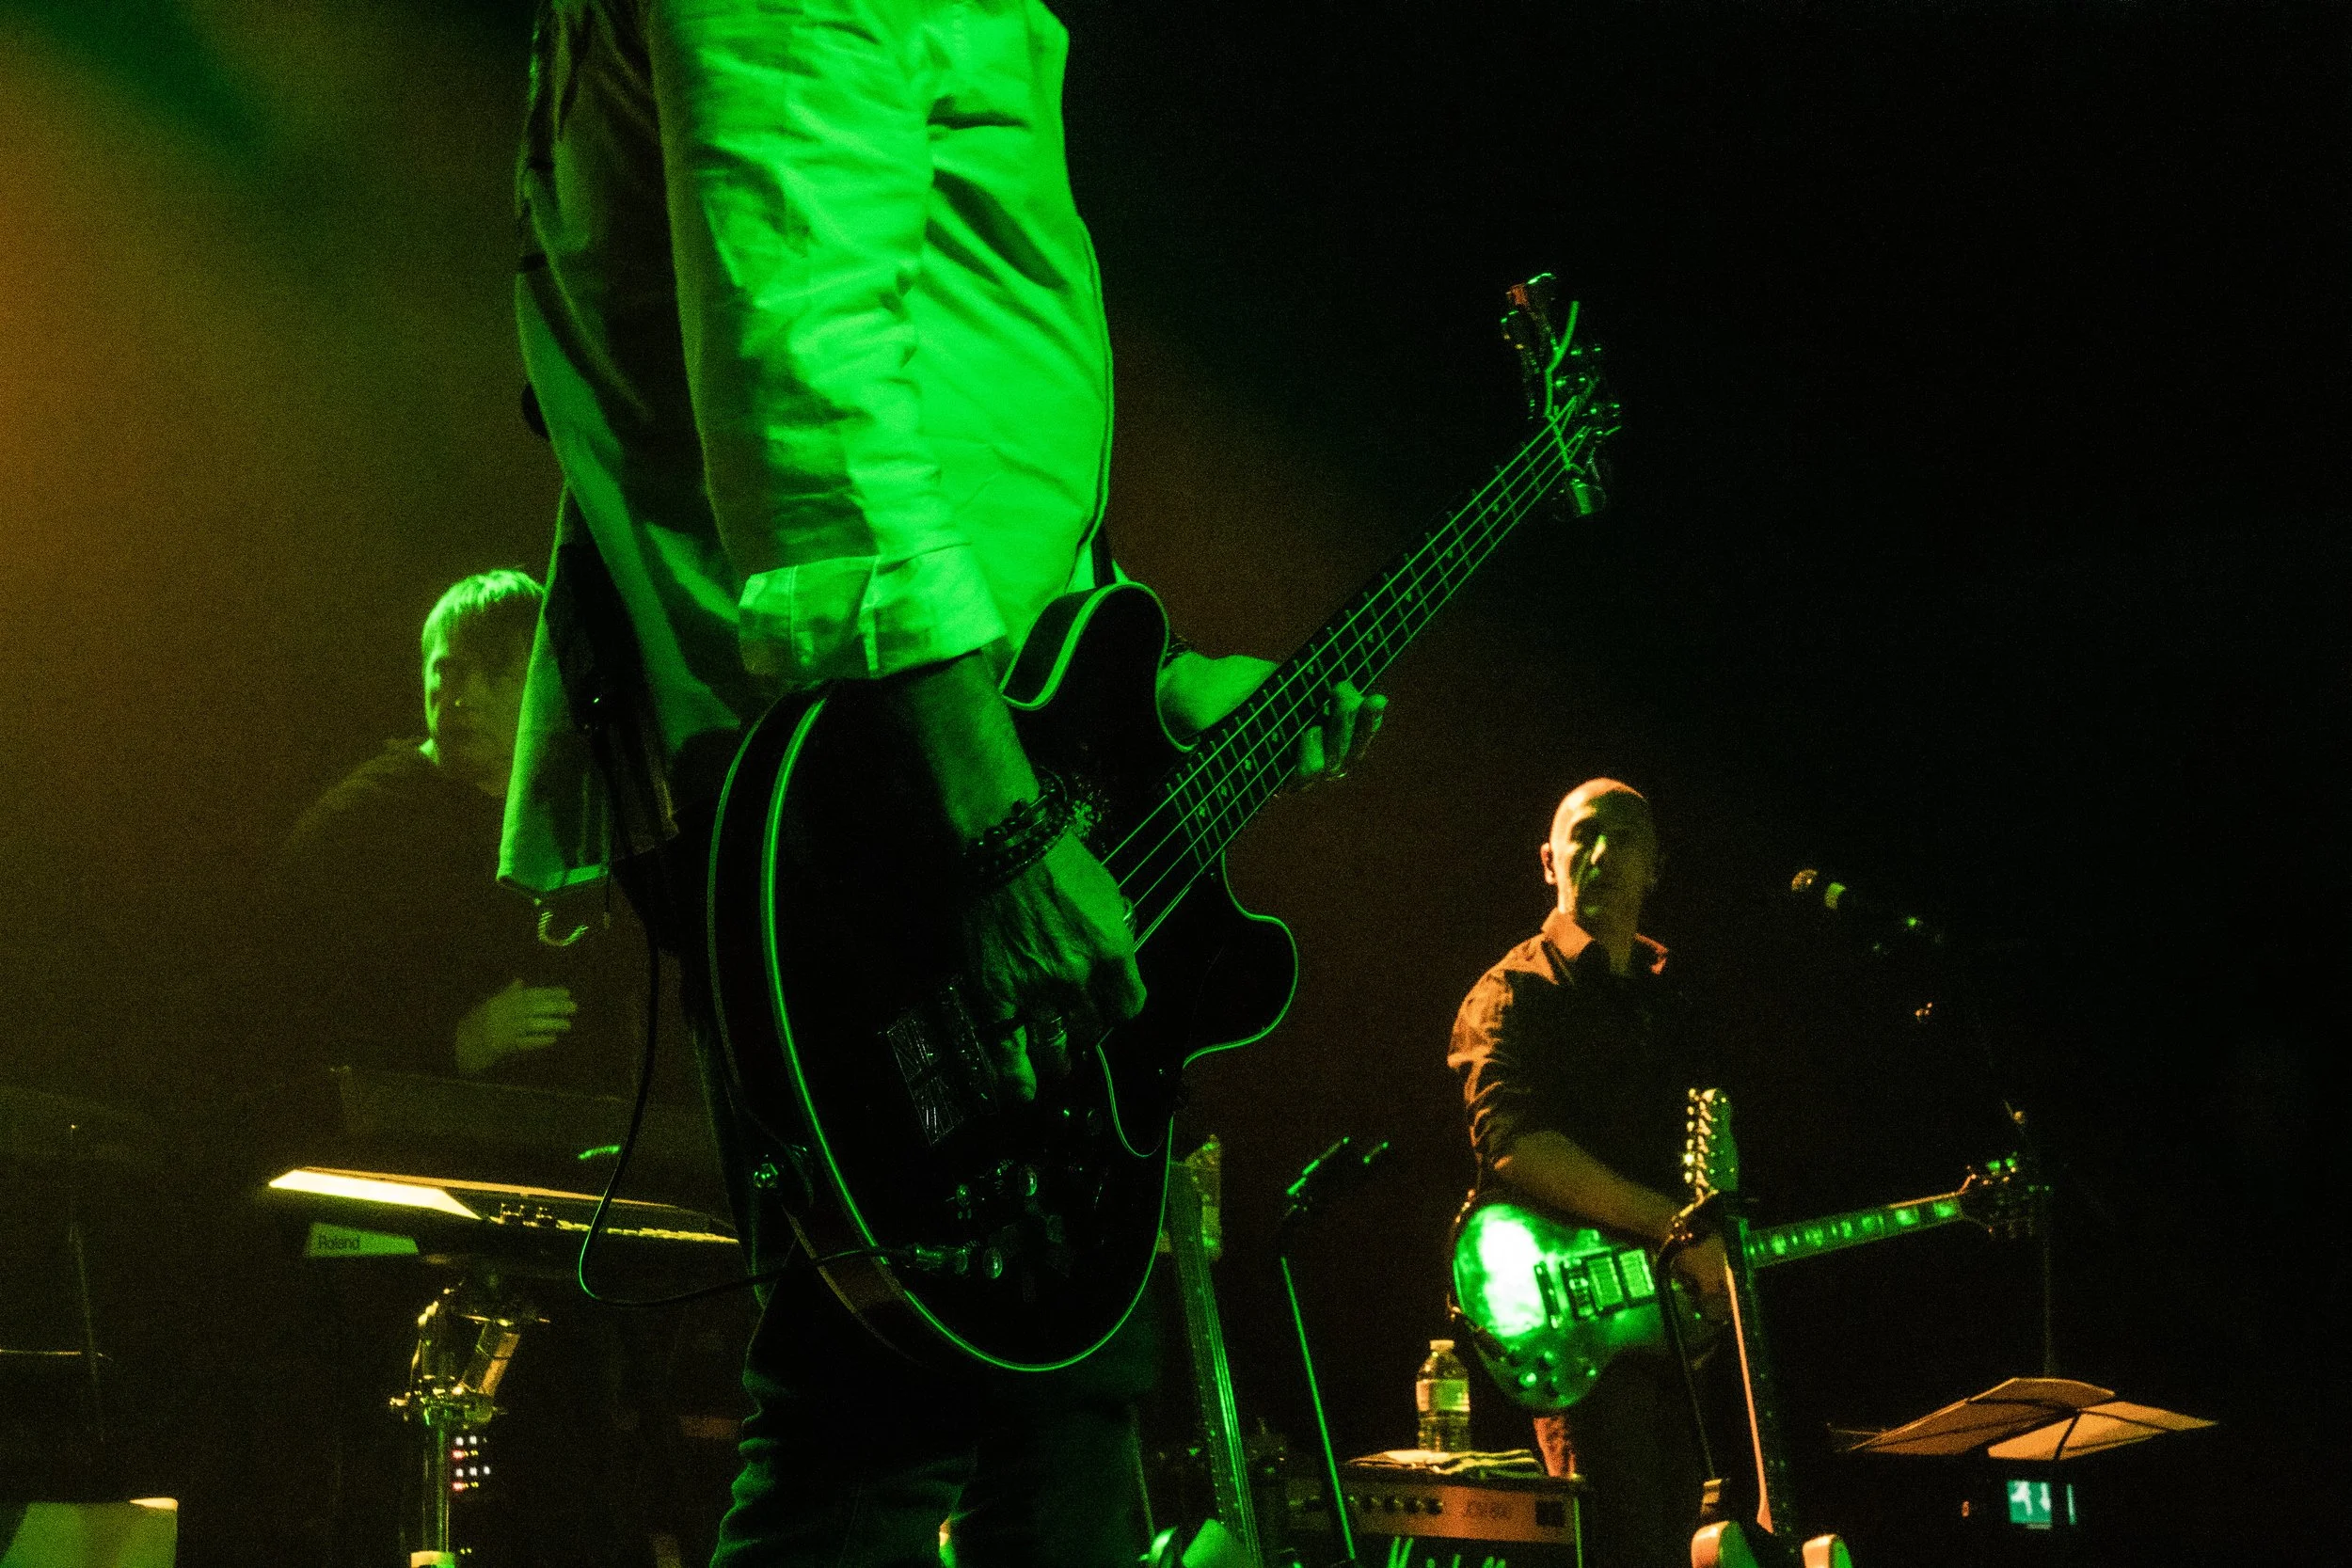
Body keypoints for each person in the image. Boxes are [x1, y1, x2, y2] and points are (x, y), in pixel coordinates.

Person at [505, 5, 1381, 1566]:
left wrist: (1141, 690)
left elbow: (937, 374)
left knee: (1044, 1414)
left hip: (932, 745)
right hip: (884, 787)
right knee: (884, 1419)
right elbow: (808, 378)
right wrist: (999, 818)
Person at [1447, 779, 1727, 1568]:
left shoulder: (1675, 1001)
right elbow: (1514, 1142)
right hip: (1578, 1329)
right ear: (1548, 861)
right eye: (1582, 835)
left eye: (1624, 838)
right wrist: (1668, 1223)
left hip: (1669, 1330)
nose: (1600, 854)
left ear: (1656, 867)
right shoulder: (1513, 991)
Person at [277, 567, 636, 1090]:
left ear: (546, 685)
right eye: (448, 670)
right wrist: (457, 1045)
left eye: (493, 673)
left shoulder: (591, 810)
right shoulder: (356, 832)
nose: (460, 696)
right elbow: (297, 1018)